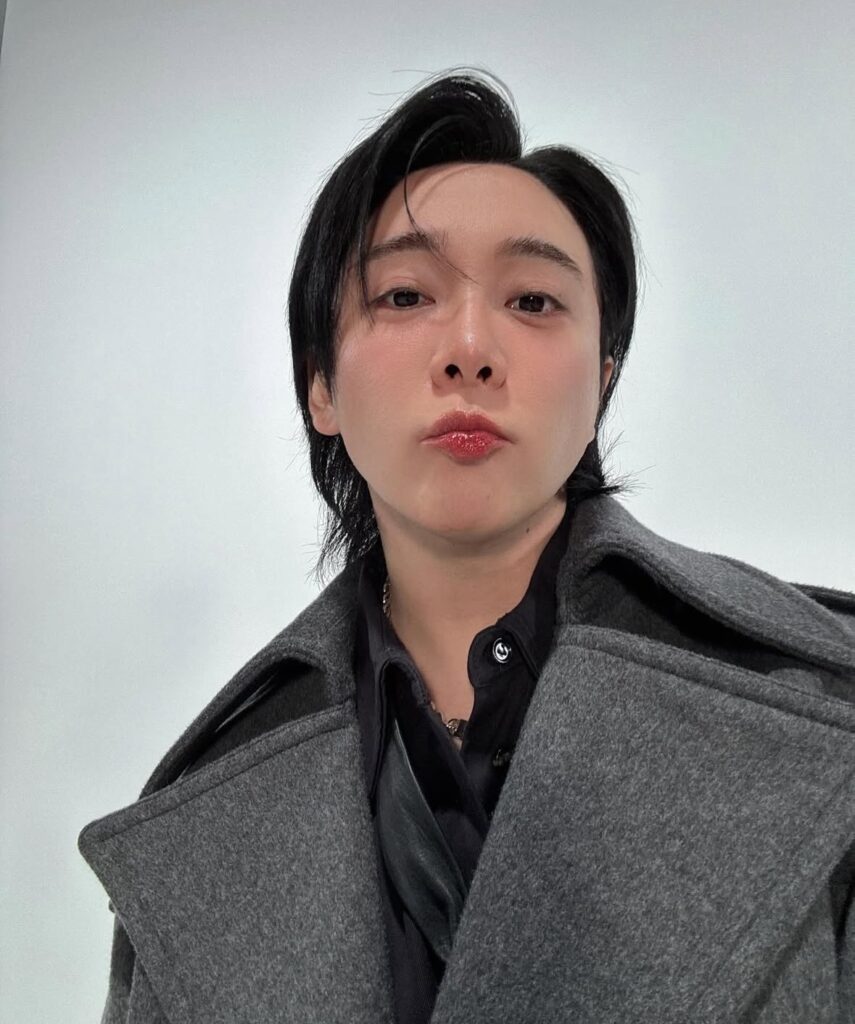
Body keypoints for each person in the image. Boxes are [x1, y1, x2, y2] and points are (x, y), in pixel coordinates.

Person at [79, 69, 855, 1024]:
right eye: (406, 294)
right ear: (320, 387)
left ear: (602, 380)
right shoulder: (206, 811)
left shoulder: (816, 700)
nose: (470, 348)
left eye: (533, 301)